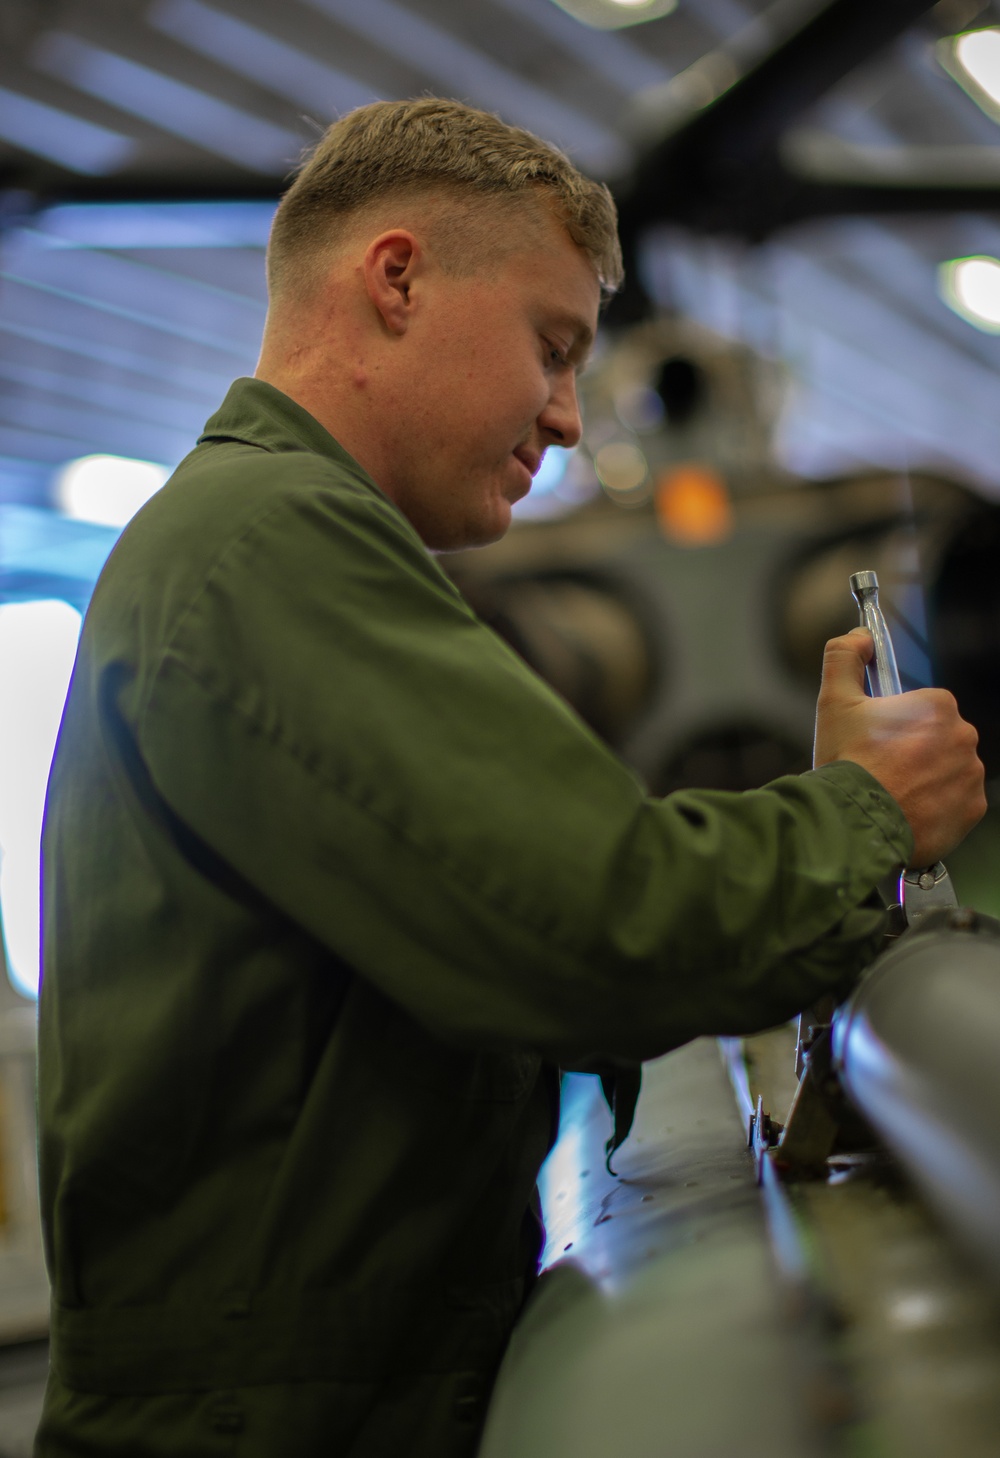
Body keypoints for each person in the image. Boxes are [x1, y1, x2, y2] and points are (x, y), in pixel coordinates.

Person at [35, 98, 985, 1458]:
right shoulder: (269, 542)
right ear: (399, 279)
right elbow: (592, 916)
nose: (561, 414)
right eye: (549, 348)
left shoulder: (257, 538)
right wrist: (867, 817)